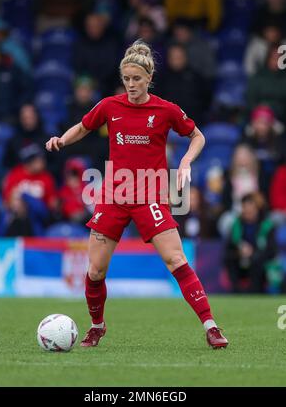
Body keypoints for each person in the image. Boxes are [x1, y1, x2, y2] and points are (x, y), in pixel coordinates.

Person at [46, 40, 228, 349]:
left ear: (149, 78)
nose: (131, 85)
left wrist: (185, 161)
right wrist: (62, 140)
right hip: (114, 195)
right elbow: (84, 126)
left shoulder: (166, 109)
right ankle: (97, 326)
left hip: (151, 195)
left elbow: (197, 136)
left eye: (137, 79)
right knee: (96, 270)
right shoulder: (109, 105)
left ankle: (211, 327)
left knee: (176, 260)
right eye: (127, 79)